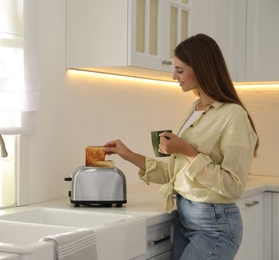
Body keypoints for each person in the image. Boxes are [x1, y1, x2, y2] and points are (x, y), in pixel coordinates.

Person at [103, 34, 259, 260]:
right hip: (186, 218)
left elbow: (233, 186)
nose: (174, 76)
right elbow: (174, 174)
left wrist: (188, 151)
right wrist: (127, 154)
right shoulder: (194, 108)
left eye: (180, 69)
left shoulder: (233, 115)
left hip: (215, 227)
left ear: (201, 68)